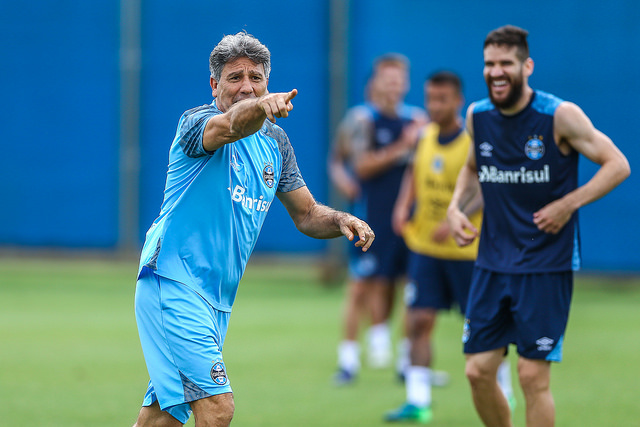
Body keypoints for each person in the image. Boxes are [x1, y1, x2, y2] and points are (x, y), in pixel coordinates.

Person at [132, 31, 375, 427]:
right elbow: (230, 125)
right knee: (217, 407)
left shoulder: (275, 143)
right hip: (172, 283)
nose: (247, 86)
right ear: (215, 85)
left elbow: (307, 214)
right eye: (234, 77)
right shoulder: (197, 125)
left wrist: (342, 219)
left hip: (215, 300)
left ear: (268, 80)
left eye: (256, 77)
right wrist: (261, 106)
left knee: (163, 415)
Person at [447, 25, 630, 427]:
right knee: (477, 371)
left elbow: (618, 164)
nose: (496, 72)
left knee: (531, 377)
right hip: (492, 264)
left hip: (546, 264)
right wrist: (454, 208)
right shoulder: (477, 116)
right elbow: (473, 168)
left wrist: (568, 203)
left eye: (506, 63)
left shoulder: (559, 116)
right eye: (489, 64)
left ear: (527, 66)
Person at [385, 71, 514, 424]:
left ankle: (504, 389)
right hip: (425, 247)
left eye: (442, 99)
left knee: (483, 326)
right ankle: (417, 401)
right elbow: (413, 174)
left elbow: (489, 187)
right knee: (418, 321)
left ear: (458, 101)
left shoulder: (474, 141)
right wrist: (401, 206)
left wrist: (455, 217)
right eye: (430, 99)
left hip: (468, 251)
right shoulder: (423, 136)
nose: (434, 106)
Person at [332, 54, 427, 385]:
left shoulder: (418, 120)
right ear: (376, 82)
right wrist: (402, 146)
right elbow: (353, 164)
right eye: (388, 78)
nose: (393, 85)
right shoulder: (363, 120)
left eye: (399, 79)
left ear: (406, 84)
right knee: (360, 287)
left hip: (407, 221)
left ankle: (406, 362)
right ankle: (348, 361)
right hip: (369, 217)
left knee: (408, 287)